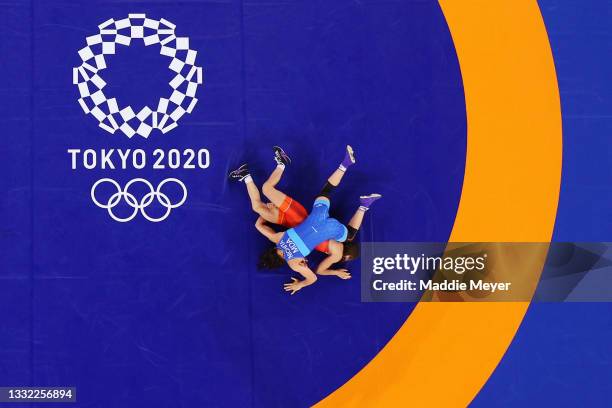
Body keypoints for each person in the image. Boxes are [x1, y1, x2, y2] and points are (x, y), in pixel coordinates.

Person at [229, 146, 381, 294]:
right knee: (268, 195)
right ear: (272, 250)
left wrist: (309, 280)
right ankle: (344, 167)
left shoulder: (307, 260)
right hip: (303, 219)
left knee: (347, 231)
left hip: (323, 225)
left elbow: (316, 275)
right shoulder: (279, 239)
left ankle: (361, 199)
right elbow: (258, 225)